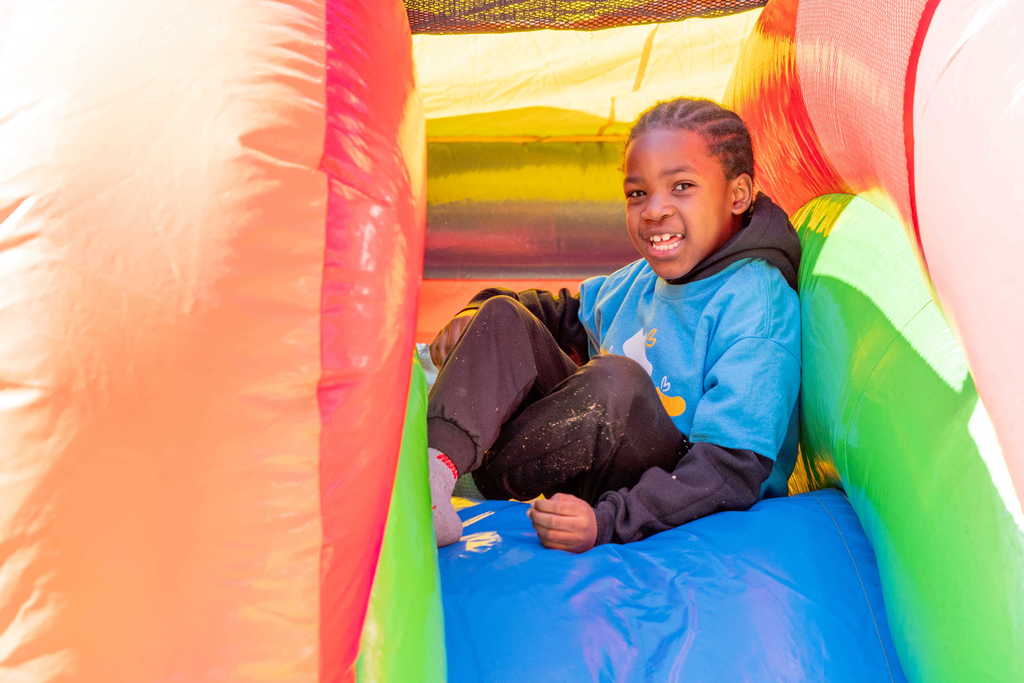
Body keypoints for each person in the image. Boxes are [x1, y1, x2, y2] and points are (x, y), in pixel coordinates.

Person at [427, 97, 801, 552]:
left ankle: (468, 478)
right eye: (637, 193)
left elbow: (731, 467)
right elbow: (550, 314)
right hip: (576, 458)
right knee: (501, 313)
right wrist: (473, 316)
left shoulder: (755, 305)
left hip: (667, 495)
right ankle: (433, 474)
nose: (653, 211)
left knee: (616, 378)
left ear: (737, 195)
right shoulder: (640, 279)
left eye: (681, 186)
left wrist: (608, 522)